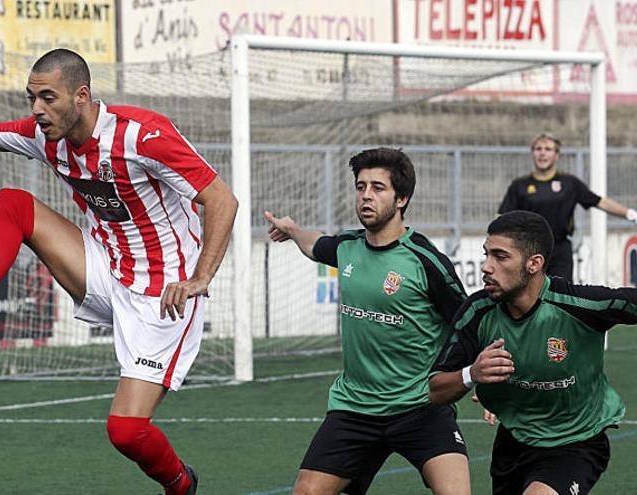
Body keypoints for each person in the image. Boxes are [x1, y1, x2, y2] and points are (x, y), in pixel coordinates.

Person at [0, 48, 237, 495]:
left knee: (126, 431)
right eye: (32, 98)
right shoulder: (48, 136)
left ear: (81, 95)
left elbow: (221, 199)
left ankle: (180, 483)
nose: (36, 110)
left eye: (48, 98)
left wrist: (201, 277)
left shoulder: (142, 136)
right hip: (104, 268)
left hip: (164, 296)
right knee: (13, 203)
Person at [265, 148, 470, 495]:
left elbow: (468, 323)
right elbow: (316, 245)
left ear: (401, 198)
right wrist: (294, 231)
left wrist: (475, 376)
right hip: (355, 408)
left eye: (378, 188)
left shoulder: (426, 260)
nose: (366, 196)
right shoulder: (347, 246)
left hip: (420, 406)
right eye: (361, 187)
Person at [429, 210, 637, 494]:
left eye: (500, 257)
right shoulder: (477, 312)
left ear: (534, 263)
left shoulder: (578, 305)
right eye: (486, 254)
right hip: (513, 444)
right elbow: (434, 390)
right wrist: (471, 374)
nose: (486, 267)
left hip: (576, 443)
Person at [498, 133, 637, 281]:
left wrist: (629, 213)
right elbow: (502, 219)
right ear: (532, 153)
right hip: (529, 248)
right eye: (538, 148)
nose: (542, 153)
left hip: (560, 249)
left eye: (548, 149)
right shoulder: (520, 185)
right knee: (529, 296)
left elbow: (599, 201)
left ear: (556, 155)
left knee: (561, 295)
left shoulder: (569, 183)